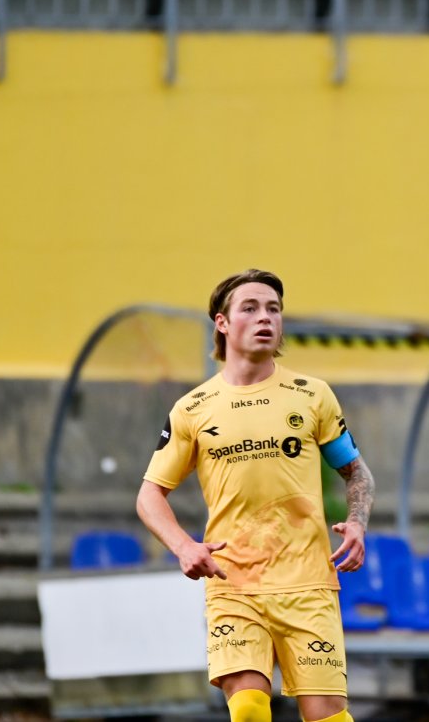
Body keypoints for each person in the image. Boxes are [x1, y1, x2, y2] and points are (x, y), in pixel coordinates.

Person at [136, 269, 375, 722]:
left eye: (274, 309)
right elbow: (150, 495)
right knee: (248, 710)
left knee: (328, 719)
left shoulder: (312, 396)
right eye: (250, 308)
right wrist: (184, 546)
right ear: (222, 324)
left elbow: (356, 472)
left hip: (307, 583)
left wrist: (358, 521)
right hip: (234, 582)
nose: (265, 317)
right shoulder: (193, 408)